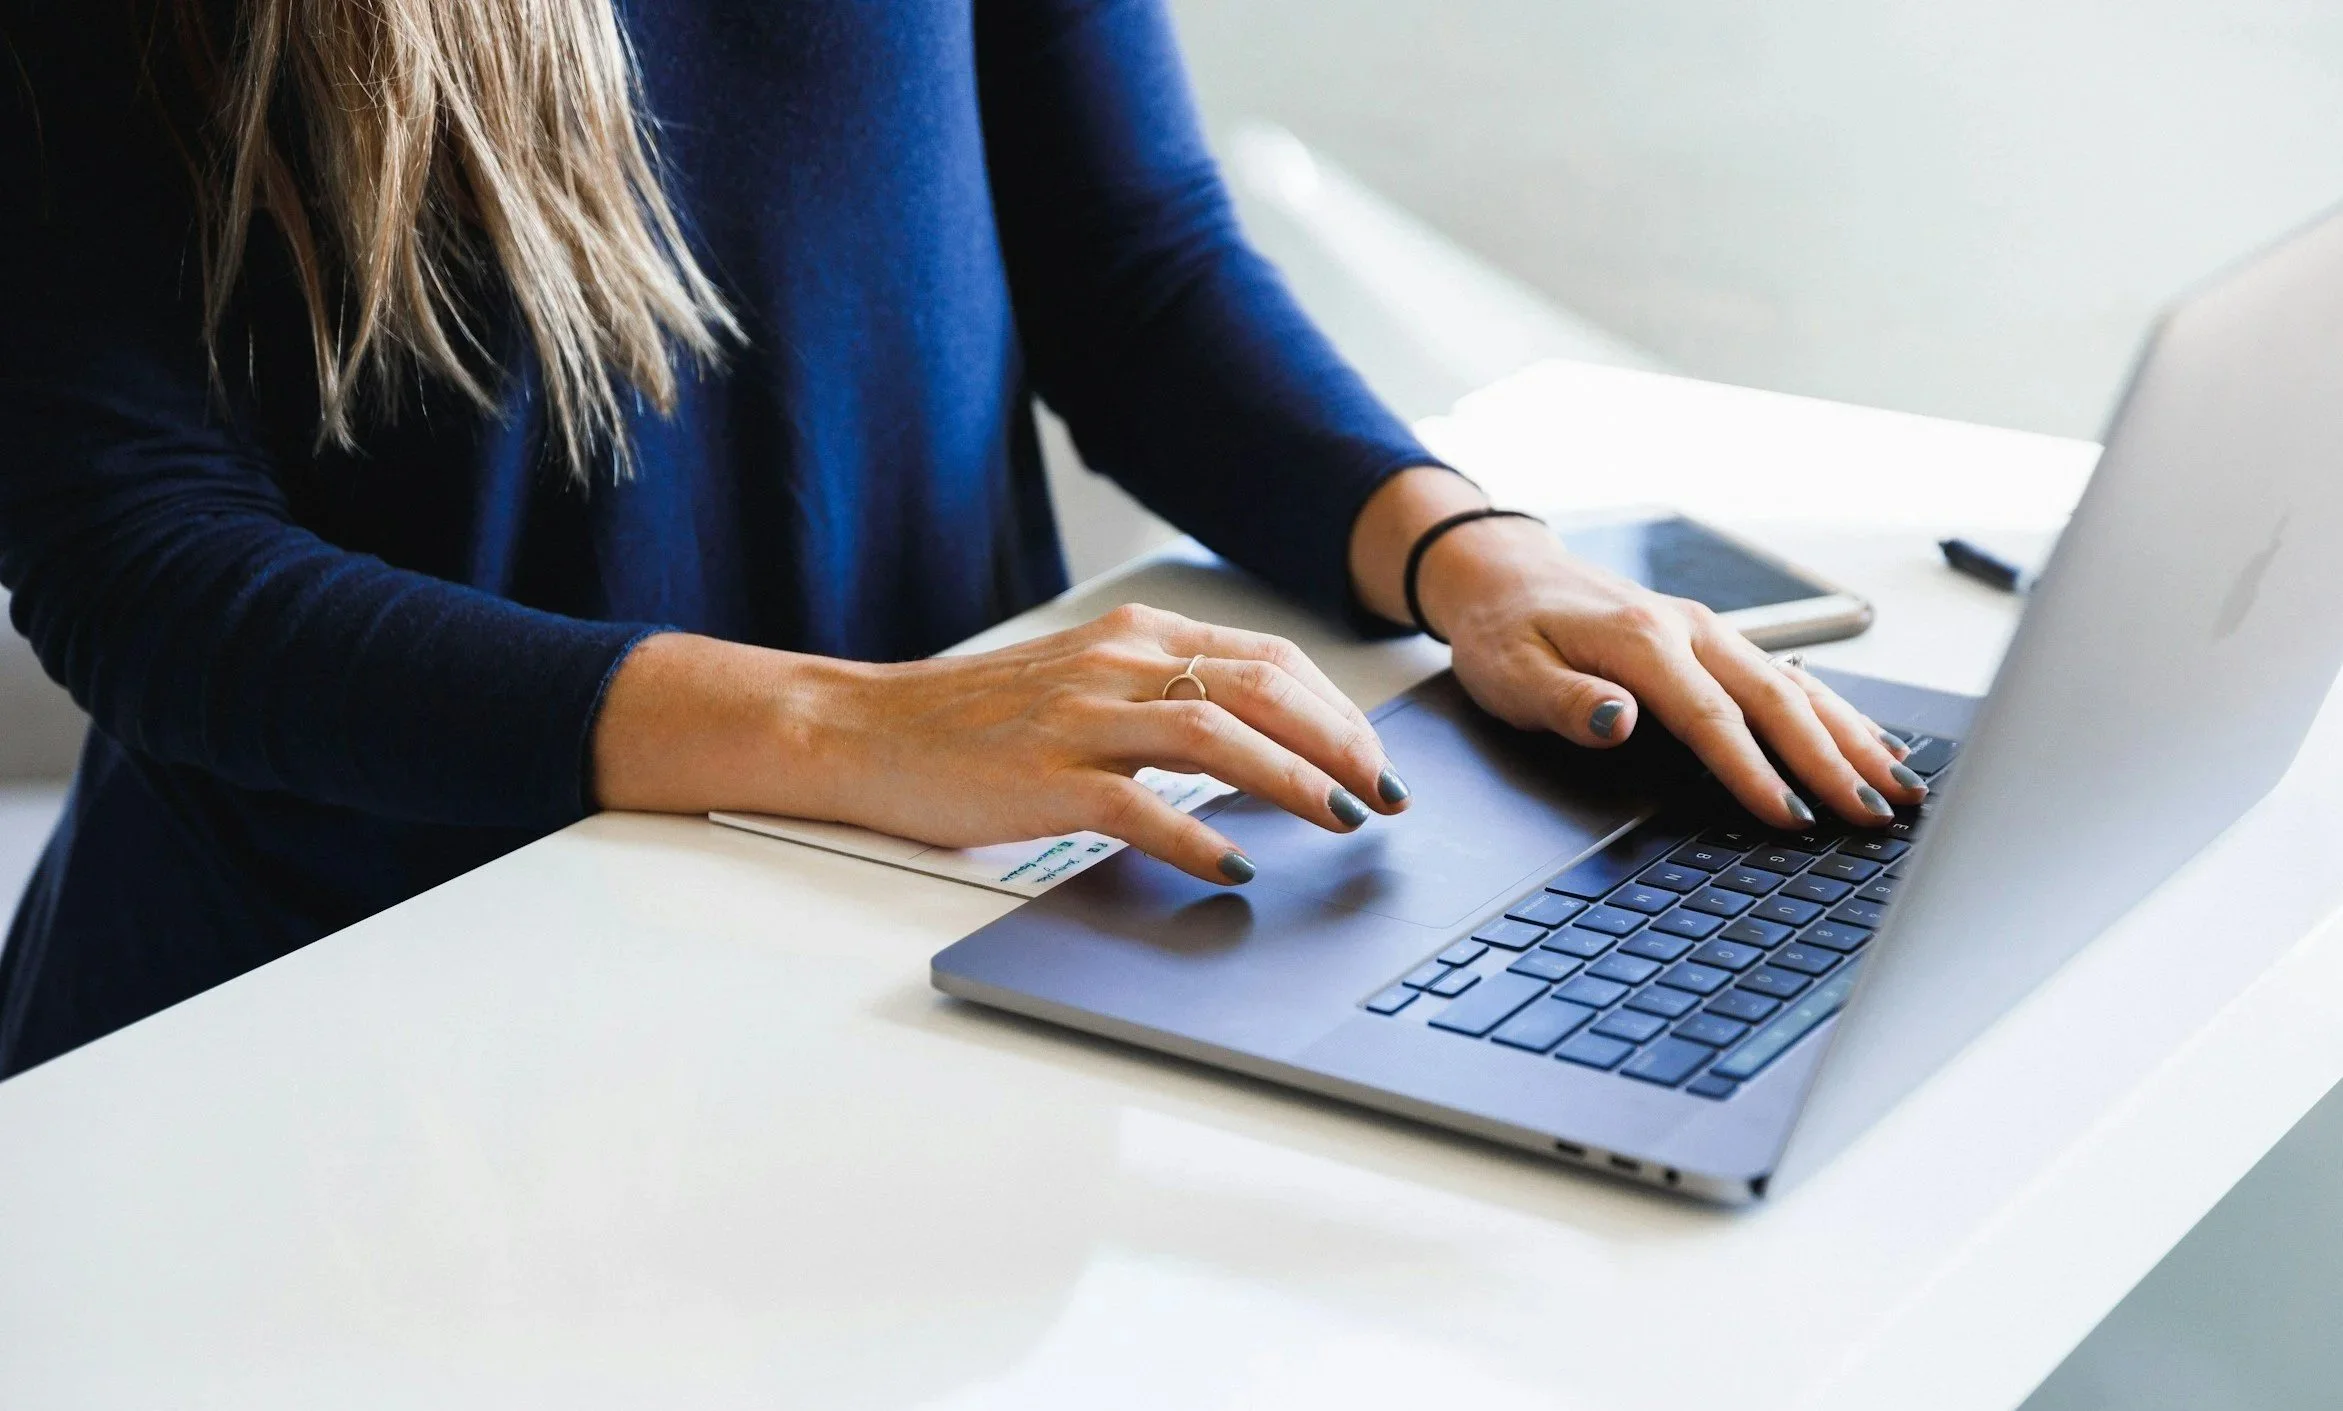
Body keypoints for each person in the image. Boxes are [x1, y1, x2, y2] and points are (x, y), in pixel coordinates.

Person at [0, 0, 1925, 1077]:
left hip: (918, 929)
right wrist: (854, 729)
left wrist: (1467, 553)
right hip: (364, 1016)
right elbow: (137, 563)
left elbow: (1127, 253)